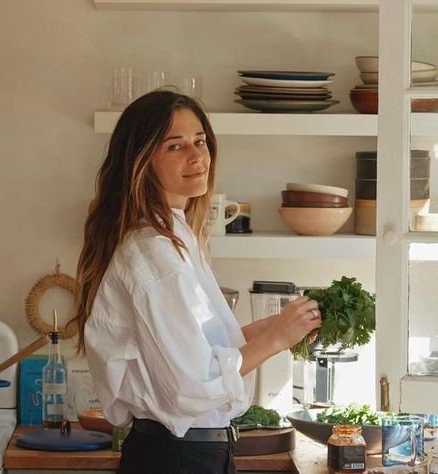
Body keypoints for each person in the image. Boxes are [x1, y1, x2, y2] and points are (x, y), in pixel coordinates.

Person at [71, 89, 321, 474]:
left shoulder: (176, 237)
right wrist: (276, 339)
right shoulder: (155, 253)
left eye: (200, 141)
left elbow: (206, 349)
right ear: (141, 161)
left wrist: (281, 325)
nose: (196, 156)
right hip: (179, 457)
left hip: (183, 454)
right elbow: (193, 384)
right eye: (175, 146)